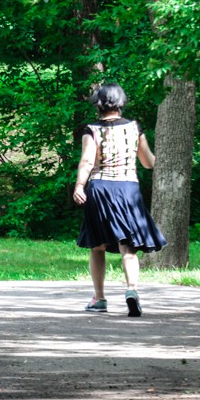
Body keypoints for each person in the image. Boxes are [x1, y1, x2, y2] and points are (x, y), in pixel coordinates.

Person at [72, 83, 166, 316]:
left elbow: (86, 161)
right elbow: (148, 162)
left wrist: (79, 185)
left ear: (98, 105)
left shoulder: (92, 130)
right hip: (128, 188)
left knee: (97, 245)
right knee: (129, 245)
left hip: (100, 188)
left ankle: (100, 299)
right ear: (121, 103)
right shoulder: (134, 128)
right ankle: (132, 290)